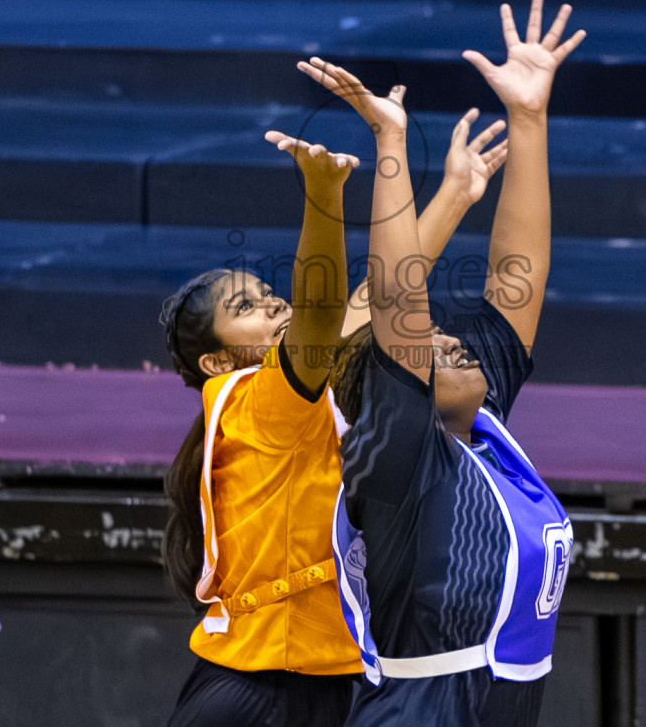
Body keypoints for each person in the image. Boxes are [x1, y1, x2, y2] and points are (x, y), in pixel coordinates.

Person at [159, 110, 509, 727]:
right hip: (263, 688)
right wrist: (324, 197)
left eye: (270, 297)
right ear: (216, 359)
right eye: (248, 308)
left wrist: (457, 189)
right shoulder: (253, 397)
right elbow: (322, 312)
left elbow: (381, 294)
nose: (273, 305)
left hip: (323, 679)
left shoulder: (305, 385)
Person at [306, 0, 584, 727]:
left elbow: (517, 280)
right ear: (391, 385)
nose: (450, 339)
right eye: (429, 344)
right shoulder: (397, 458)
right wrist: (391, 148)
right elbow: (400, 298)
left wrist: (528, 119)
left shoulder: (486, 435)